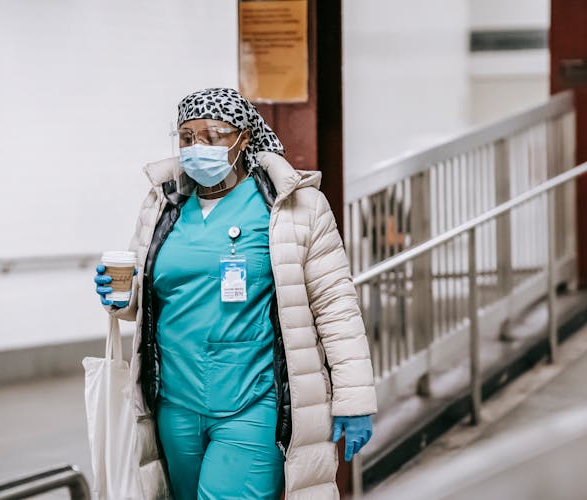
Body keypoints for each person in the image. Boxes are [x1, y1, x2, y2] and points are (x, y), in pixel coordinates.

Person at [93, 87, 377, 499]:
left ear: (244, 138)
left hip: (253, 403)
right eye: (187, 138)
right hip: (175, 403)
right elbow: (144, 299)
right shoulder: (162, 205)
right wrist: (120, 297)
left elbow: (336, 306)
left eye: (213, 135)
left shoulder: (294, 207)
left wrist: (353, 397)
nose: (197, 147)